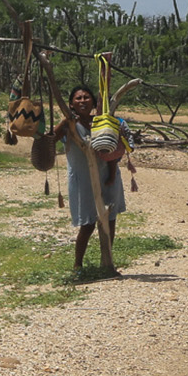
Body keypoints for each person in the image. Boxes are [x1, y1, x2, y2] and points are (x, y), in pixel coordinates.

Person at [47, 84, 127, 275]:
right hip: (83, 180)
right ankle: (78, 265)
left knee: (110, 219)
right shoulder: (68, 125)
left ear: (93, 102)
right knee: (88, 224)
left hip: (108, 176)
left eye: (86, 98)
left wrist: (113, 173)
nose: (82, 101)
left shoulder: (102, 121)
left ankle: (107, 262)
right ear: (71, 104)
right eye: (78, 98)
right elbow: (49, 141)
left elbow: (115, 150)